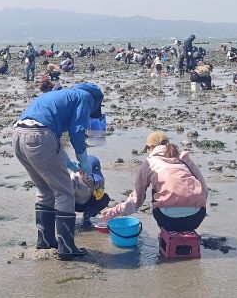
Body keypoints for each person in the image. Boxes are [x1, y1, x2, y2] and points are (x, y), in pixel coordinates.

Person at [12, 82, 104, 259]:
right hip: (39, 135)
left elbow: (51, 135)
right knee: (65, 191)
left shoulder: (61, 96)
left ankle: (45, 241)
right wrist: (84, 162)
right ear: (96, 101)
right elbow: (76, 131)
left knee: (45, 189)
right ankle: (67, 248)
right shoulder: (85, 98)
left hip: (18, 134)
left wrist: (69, 164)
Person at [97, 131, 208, 233]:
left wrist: (114, 211)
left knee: (156, 191)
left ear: (151, 148)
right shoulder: (184, 158)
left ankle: (166, 232)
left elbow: (137, 200)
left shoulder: (149, 163)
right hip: (196, 217)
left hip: (168, 220)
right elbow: (204, 190)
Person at [72, 155, 110, 228]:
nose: (93, 180)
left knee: (105, 198)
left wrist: (99, 192)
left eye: (95, 176)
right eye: (90, 176)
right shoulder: (72, 180)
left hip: (87, 203)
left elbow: (99, 194)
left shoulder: (99, 180)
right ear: (81, 172)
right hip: (74, 204)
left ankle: (87, 217)